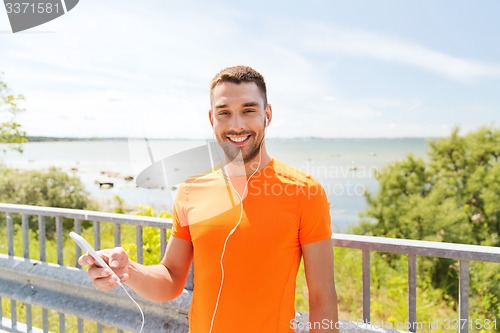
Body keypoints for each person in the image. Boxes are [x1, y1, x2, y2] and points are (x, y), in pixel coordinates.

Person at [79, 65, 339, 333]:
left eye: (248, 110)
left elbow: (321, 296)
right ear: (211, 118)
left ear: (267, 115)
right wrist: (128, 270)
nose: (237, 125)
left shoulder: (304, 191)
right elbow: (171, 279)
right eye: (224, 113)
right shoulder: (191, 190)